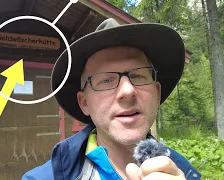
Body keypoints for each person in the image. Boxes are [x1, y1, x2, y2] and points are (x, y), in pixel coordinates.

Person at [22, 18, 201, 180]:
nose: (128, 90)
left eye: (138, 76)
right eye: (106, 80)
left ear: (157, 92)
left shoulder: (185, 173)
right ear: (84, 103)